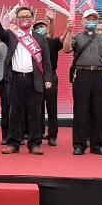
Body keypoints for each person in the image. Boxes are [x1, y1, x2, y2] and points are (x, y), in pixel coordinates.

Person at [0, 4, 52, 155]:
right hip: (15, 79)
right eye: (22, 17)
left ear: (32, 19)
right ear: (17, 19)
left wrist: (48, 79)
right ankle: (13, 143)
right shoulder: (12, 35)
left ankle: (35, 144)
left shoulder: (40, 38)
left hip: (34, 80)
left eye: (27, 17)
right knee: (14, 112)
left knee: (35, 113)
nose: (24, 19)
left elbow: (46, 61)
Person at [64, 9, 102, 155]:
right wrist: (69, 31)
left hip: (98, 74)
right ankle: (79, 144)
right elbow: (66, 49)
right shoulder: (77, 37)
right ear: (83, 21)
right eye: (88, 19)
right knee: (80, 110)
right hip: (82, 74)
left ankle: (96, 145)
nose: (91, 21)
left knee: (98, 109)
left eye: (94, 19)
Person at [33, 9, 66, 147]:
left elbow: (61, 38)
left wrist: (52, 20)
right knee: (36, 106)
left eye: (43, 27)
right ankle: (38, 133)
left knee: (51, 107)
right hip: (35, 76)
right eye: (38, 27)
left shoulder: (52, 42)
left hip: (51, 76)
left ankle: (52, 135)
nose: (41, 29)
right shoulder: (31, 44)